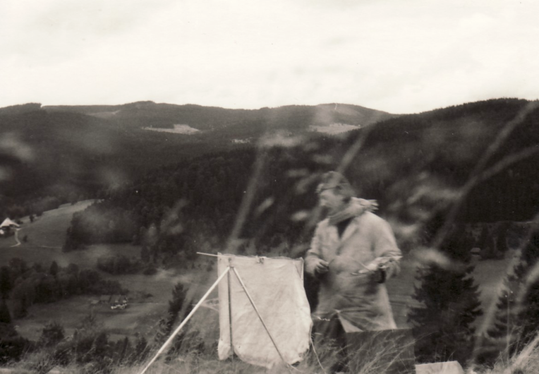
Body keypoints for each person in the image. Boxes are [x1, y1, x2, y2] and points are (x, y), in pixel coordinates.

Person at [305, 171, 402, 372]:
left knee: (373, 368)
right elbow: (311, 256)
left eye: (325, 197)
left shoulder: (374, 224)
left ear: (340, 193)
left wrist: (382, 269)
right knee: (326, 369)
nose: (322, 204)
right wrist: (315, 265)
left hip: (365, 316)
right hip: (329, 316)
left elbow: (392, 256)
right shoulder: (322, 228)